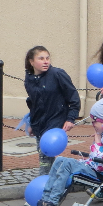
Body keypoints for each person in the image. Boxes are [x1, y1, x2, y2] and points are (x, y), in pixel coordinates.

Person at [19, 97, 103, 206]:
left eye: (94, 121)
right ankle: (44, 203)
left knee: (66, 165)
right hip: (97, 166)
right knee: (60, 160)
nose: (93, 125)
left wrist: (97, 139)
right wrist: (99, 139)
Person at [24, 46, 80, 175]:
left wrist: (71, 118)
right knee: (44, 156)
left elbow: (73, 97)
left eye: (47, 58)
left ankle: (45, 182)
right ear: (31, 62)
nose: (46, 61)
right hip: (40, 122)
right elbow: (33, 103)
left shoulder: (57, 74)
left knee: (45, 154)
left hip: (56, 119)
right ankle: (57, 180)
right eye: (41, 58)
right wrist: (32, 123)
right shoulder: (29, 79)